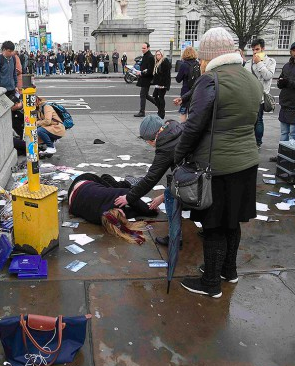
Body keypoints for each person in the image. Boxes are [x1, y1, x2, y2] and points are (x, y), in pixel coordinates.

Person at [174, 27, 262, 298]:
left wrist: (178, 155)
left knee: (213, 225)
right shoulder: (249, 78)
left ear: (209, 56)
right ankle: (228, 271)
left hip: (217, 167)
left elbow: (194, 125)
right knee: (232, 221)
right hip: (246, 163)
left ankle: (211, 283)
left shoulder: (211, 80)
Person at [114, 115, 184, 247]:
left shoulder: (166, 145)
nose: (149, 144)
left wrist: (129, 197)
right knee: (169, 193)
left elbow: (151, 178)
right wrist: (163, 195)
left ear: (155, 135)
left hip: (193, 177)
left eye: (149, 141)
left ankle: (175, 238)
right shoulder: (174, 127)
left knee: (171, 199)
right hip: (198, 171)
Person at [68, 173, 158, 244]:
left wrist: (150, 211)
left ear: (119, 211)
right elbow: (132, 212)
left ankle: (127, 183)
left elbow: (131, 196)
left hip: (84, 180)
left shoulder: (113, 196)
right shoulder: (101, 218)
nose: (124, 212)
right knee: (110, 186)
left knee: (106, 177)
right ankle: (127, 183)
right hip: (72, 199)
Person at [244, 38, 276, 149]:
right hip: (249, 96)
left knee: (258, 120)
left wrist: (259, 64)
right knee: (248, 120)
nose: (255, 52)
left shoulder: (271, 62)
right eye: (253, 50)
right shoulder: (248, 63)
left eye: (257, 49)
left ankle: (257, 142)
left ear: (263, 49)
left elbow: (268, 76)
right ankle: (249, 140)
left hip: (260, 96)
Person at [174, 46, 199, 122]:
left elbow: (178, 79)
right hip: (195, 90)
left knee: (183, 111)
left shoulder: (184, 65)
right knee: (193, 110)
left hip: (185, 90)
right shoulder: (198, 64)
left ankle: (183, 127)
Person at [134, 42, 156, 117]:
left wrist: (141, 73)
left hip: (147, 79)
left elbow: (150, 70)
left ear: (148, 48)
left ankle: (142, 112)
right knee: (145, 95)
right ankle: (158, 103)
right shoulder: (146, 55)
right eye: (142, 48)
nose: (142, 49)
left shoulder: (150, 57)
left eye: (144, 48)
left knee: (142, 94)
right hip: (144, 78)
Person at [150, 50, 171, 119]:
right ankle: (160, 109)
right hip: (158, 83)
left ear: (162, 55)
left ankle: (162, 112)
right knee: (155, 96)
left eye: (159, 54)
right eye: (156, 55)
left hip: (163, 83)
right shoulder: (157, 62)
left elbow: (166, 74)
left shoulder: (165, 61)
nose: (157, 56)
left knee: (161, 97)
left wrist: (163, 84)